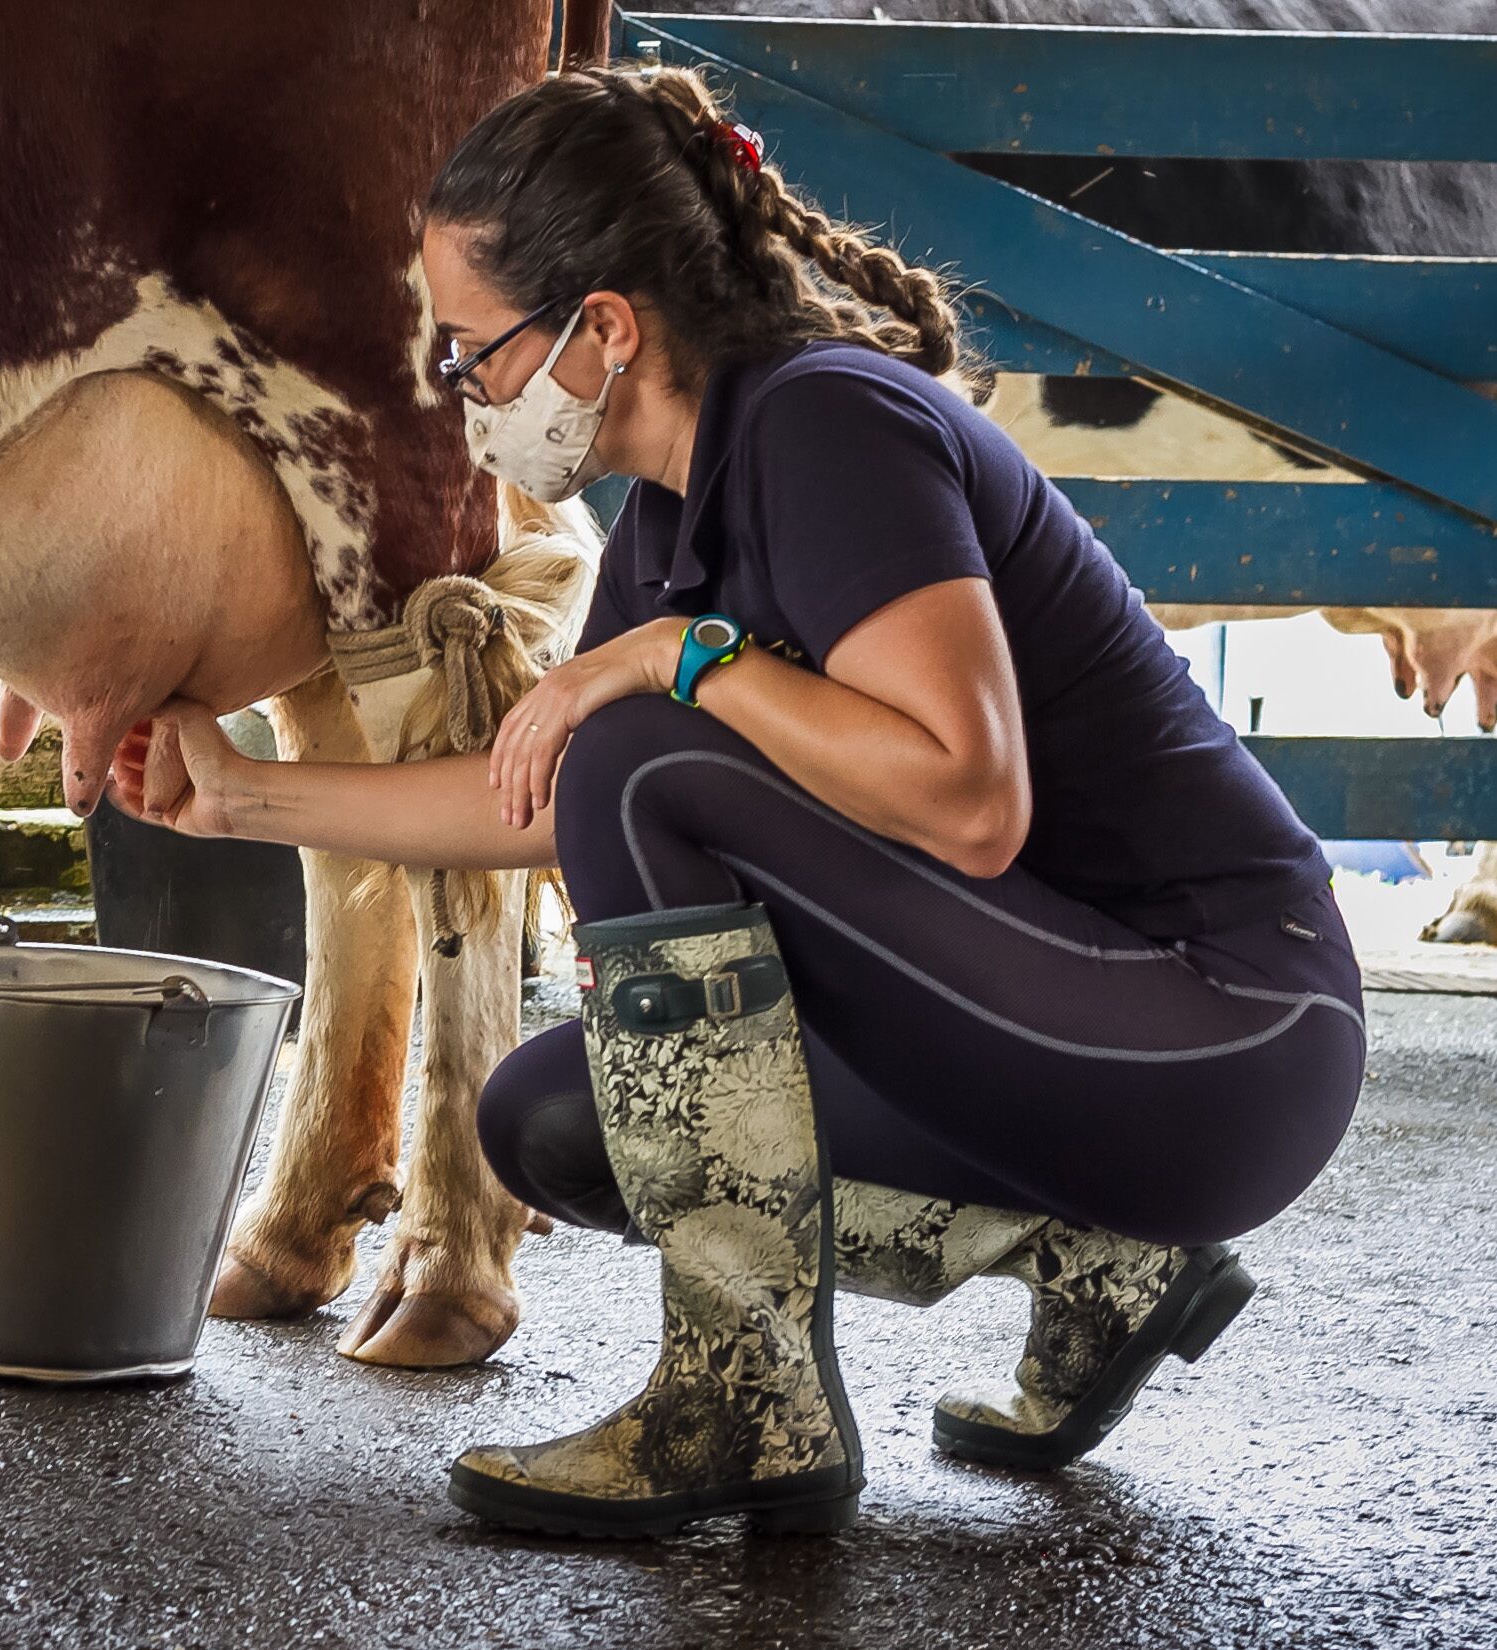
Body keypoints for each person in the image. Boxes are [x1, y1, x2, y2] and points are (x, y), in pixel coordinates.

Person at [110, 64, 1365, 1540]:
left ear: (604, 330)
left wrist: (678, 657)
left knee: (648, 750)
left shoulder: (828, 428)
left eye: (474, 354)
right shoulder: (673, 507)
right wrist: (245, 795)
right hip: (1059, 1036)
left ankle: (739, 1395)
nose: (465, 398)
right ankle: (1097, 1264)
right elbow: (541, 796)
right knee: (554, 1117)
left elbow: (971, 801)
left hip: (1223, 1035)